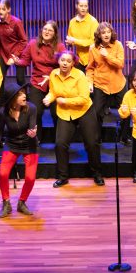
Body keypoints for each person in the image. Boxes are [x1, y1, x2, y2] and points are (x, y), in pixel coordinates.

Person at [44, 51, 104, 188]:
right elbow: (54, 91)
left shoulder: (79, 75)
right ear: (58, 61)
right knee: (60, 144)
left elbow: (84, 99)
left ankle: (97, 174)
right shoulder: (53, 74)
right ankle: (63, 177)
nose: (65, 63)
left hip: (84, 110)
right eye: (62, 60)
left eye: (68, 61)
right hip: (65, 113)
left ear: (73, 64)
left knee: (91, 143)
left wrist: (64, 101)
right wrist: (50, 97)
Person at [0, 84, 38, 218]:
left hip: (29, 144)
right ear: (13, 99)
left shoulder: (31, 108)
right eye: (20, 94)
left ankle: (22, 202)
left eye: (24, 93)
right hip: (12, 144)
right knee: (3, 174)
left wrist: (33, 133)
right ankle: (6, 203)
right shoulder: (3, 112)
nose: (24, 96)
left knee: (30, 178)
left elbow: (32, 127)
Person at [18, 20, 66, 142]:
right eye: (45, 29)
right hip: (37, 82)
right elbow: (25, 60)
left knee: (56, 113)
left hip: (55, 83)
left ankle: (59, 138)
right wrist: (17, 61)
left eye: (50, 30)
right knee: (35, 112)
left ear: (55, 33)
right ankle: (36, 138)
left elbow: (66, 64)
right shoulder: (33, 44)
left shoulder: (59, 47)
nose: (46, 32)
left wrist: (52, 76)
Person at [86, 22, 127, 145]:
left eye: (108, 32)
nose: (106, 34)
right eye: (103, 33)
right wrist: (89, 82)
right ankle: (97, 138)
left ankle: (124, 137)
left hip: (118, 83)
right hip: (101, 84)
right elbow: (90, 68)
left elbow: (120, 64)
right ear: (99, 35)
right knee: (97, 112)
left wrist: (107, 55)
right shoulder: (93, 48)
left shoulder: (118, 45)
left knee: (125, 111)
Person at [0, 0, 28, 86]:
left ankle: (24, 98)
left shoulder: (16, 22)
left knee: (20, 79)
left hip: (18, 53)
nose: (0, 11)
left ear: (8, 9)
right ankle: (0, 99)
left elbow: (24, 41)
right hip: (4, 53)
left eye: (3, 9)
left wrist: (14, 56)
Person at [65, 0, 99, 73]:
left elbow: (93, 42)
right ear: (76, 6)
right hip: (79, 60)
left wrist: (75, 41)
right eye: (81, 6)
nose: (83, 8)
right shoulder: (72, 22)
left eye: (85, 6)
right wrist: (69, 43)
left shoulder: (93, 21)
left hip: (92, 59)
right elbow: (70, 40)